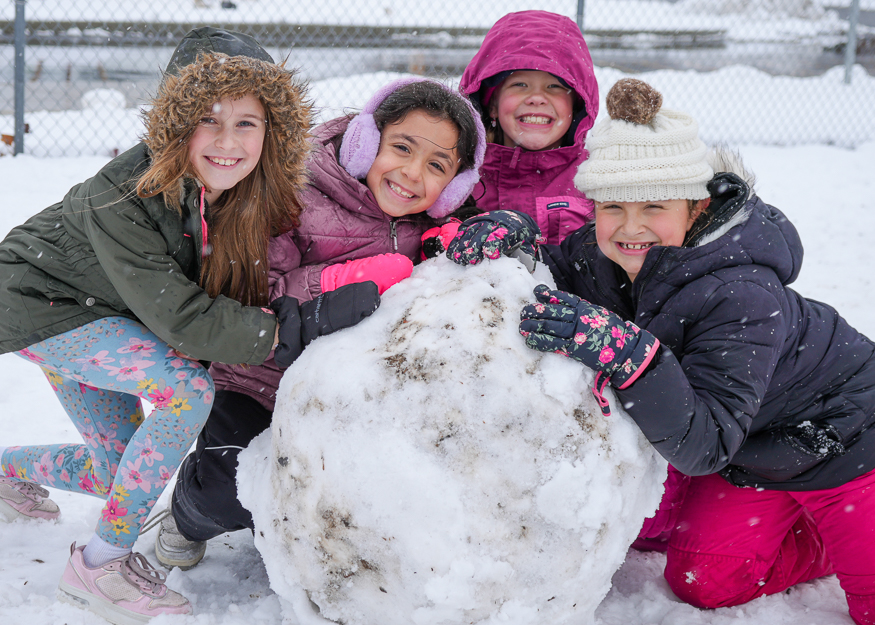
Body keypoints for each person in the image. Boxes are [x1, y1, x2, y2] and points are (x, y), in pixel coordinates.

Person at [446, 78, 875, 625]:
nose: (631, 227)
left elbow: (706, 443)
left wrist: (632, 357)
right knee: (704, 580)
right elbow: (557, 269)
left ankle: (842, 533)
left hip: (849, 437)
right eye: (612, 206)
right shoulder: (607, 251)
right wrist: (517, 237)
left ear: (695, 208)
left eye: (654, 205)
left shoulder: (741, 293)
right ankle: (814, 539)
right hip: (760, 451)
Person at [0, 27, 380, 624]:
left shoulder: (236, 189)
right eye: (208, 119)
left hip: (105, 312)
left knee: (118, 473)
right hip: (39, 305)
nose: (228, 141)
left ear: (271, 131)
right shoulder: (124, 195)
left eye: (247, 123)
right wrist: (284, 330)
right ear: (173, 124)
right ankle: (98, 568)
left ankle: (5, 470)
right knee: (186, 392)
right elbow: (183, 319)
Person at [152, 76, 488, 570]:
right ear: (364, 142)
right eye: (401, 148)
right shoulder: (292, 193)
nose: (412, 173)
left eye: (437, 165)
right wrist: (335, 283)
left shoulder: (433, 228)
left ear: (454, 186)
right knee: (230, 488)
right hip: (257, 378)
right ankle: (186, 511)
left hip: (353, 396)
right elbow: (246, 291)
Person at [459, 9, 599, 244]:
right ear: (492, 105)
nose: (536, 98)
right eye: (520, 84)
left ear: (576, 105)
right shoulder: (461, 174)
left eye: (554, 86)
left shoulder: (596, 178)